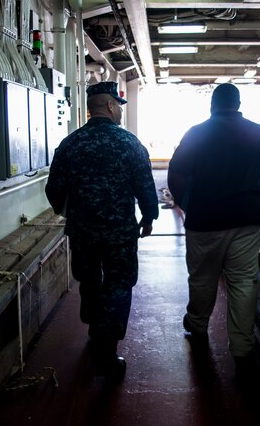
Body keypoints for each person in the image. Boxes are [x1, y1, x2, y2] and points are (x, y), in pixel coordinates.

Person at [45, 81, 159, 379]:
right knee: (119, 284)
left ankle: (95, 326)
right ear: (110, 106)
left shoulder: (70, 144)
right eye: (119, 105)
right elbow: (146, 187)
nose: (120, 111)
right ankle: (107, 348)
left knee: (90, 279)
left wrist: (64, 211)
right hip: (119, 232)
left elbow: (54, 188)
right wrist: (149, 216)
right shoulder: (130, 144)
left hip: (82, 231)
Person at [167, 83, 260, 375]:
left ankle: (198, 325)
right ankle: (242, 348)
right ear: (238, 104)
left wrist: (187, 205)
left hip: (206, 219)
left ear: (212, 104)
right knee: (243, 282)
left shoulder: (196, 133)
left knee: (203, 277)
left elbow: (176, 172)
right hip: (247, 219)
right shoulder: (258, 131)